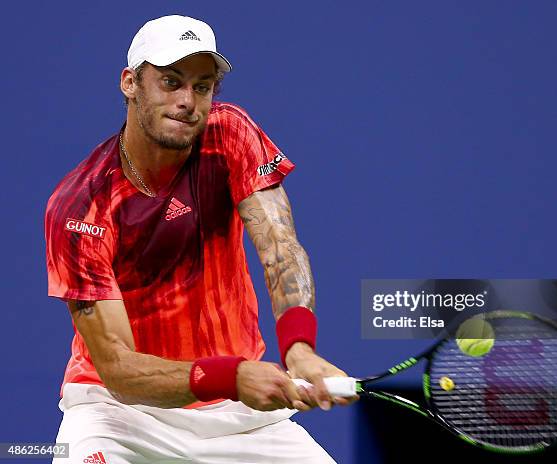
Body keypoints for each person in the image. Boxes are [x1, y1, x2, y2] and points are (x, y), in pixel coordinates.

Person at [45, 14, 352, 464]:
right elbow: (118, 370)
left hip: (240, 418)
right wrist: (233, 376)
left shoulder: (229, 133)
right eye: (170, 82)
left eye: (202, 86)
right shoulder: (81, 207)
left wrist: (299, 347)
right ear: (130, 83)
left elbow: (280, 247)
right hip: (119, 417)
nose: (188, 101)